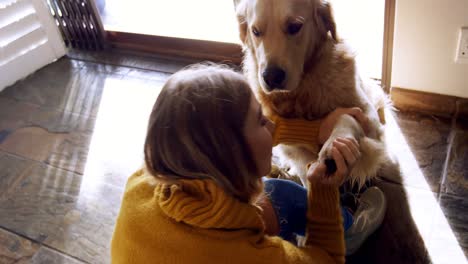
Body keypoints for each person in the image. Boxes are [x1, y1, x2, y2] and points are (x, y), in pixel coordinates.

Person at [111, 64, 385, 263]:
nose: (271, 123)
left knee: (275, 191)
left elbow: (246, 133)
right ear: (234, 155)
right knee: (286, 195)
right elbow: (326, 261)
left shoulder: (145, 180)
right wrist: (323, 192)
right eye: (259, 119)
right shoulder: (254, 257)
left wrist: (315, 129)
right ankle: (350, 228)